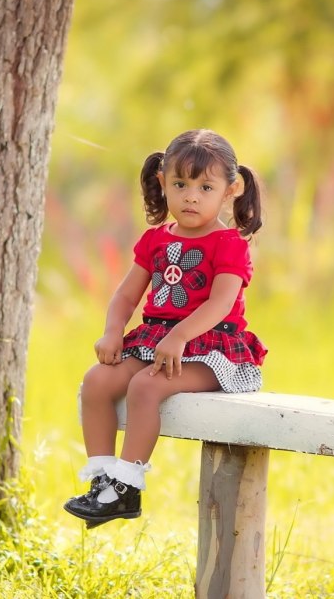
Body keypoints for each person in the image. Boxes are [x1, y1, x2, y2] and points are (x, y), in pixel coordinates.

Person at [63, 129, 268, 529]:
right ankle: (103, 481)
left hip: (212, 348)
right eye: (180, 184)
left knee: (146, 386)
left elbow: (220, 303)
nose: (191, 196)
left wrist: (179, 336)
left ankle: (127, 486)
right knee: (97, 381)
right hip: (157, 339)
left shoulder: (230, 243)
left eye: (205, 187)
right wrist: (112, 330)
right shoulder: (156, 239)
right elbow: (125, 296)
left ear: (229, 190)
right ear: (162, 183)